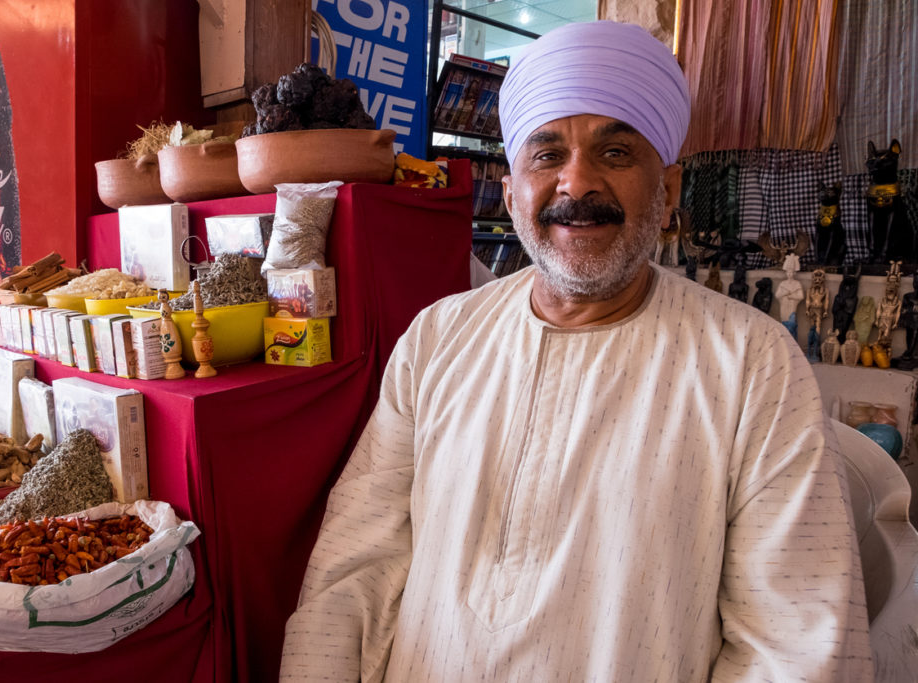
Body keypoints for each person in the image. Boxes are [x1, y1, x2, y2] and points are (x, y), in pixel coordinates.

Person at [280, 21, 872, 682]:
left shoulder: (753, 365)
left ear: (668, 193)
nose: (577, 183)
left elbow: (796, 643)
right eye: (547, 154)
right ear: (510, 194)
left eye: (615, 153)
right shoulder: (436, 340)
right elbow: (352, 572)